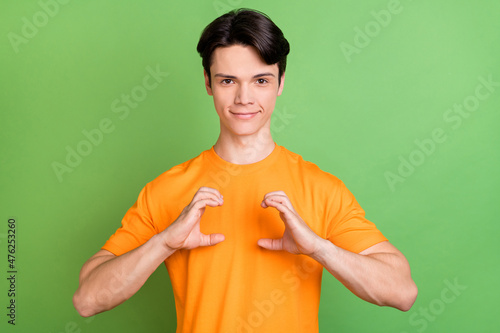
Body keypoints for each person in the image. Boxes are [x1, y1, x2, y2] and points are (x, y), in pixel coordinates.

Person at [73, 8, 417, 332]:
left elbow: (402, 292)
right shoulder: (167, 190)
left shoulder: (321, 188)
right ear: (208, 83)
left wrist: (318, 248)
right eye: (228, 81)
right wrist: (164, 243)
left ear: (281, 83)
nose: (244, 97)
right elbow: (87, 299)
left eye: (261, 81)